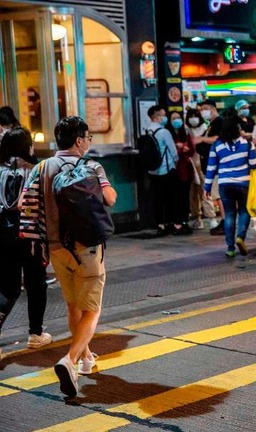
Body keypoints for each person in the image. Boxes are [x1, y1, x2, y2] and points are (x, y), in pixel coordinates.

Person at [30, 116, 117, 397]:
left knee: (73, 307)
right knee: (92, 309)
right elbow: (110, 199)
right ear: (79, 140)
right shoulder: (91, 166)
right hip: (87, 248)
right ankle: (70, 359)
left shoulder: (42, 167)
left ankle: (86, 359)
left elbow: (24, 202)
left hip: (56, 248)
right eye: (88, 138)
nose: (89, 142)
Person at [0, 127, 51, 359]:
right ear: (26, 146)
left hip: (2, 233)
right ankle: (35, 333)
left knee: (8, 288)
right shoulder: (35, 169)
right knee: (36, 283)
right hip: (29, 233)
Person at [204, 115, 256, 257]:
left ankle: (230, 247)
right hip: (243, 183)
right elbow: (254, 164)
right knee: (244, 211)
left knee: (229, 214)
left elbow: (211, 168)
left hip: (225, 183)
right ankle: (240, 237)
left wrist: (207, 188)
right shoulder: (247, 144)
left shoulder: (217, 145)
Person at [193, 99, 226, 235]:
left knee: (219, 196)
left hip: (217, 165)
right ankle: (224, 221)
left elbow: (218, 138)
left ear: (212, 108)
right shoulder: (210, 124)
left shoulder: (219, 122)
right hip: (210, 165)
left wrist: (201, 139)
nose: (203, 112)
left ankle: (225, 222)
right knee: (216, 195)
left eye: (205, 108)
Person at [146, 105, 180, 236]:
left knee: (157, 198)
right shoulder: (164, 132)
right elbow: (174, 152)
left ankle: (161, 224)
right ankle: (175, 224)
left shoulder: (147, 131)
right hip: (167, 169)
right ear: (156, 116)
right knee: (171, 197)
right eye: (162, 115)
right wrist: (175, 163)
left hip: (152, 170)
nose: (164, 117)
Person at [186, 109, 215, 230]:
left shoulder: (206, 129)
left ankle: (211, 217)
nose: (193, 119)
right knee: (192, 193)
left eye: (196, 116)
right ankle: (196, 217)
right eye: (190, 116)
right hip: (190, 164)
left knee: (205, 191)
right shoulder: (187, 131)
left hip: (203, 164)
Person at [166, 111, 194, 234]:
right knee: (174, 197)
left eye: (178, 118)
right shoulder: (167, 135)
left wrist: (185, 149)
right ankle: (176, 222)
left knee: (184, 196)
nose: (177, 120)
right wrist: (177, 149)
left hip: (186, 170)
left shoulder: (186, 133)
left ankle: (184, 221)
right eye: (173, 118)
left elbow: (192, 151)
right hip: (173, 170)